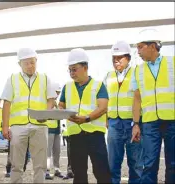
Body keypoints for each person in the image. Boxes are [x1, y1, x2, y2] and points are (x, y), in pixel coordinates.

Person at [1, 48, 57, 183]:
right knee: (16, 165)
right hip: (18, 127)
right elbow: (6, 103)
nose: (30, 66)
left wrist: (46, 113)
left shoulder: (45, 78)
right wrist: (5, 126)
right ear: (20, 64)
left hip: (39, 125)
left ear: (36, 61)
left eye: (32, 62)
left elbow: (51, 100)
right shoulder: (12, 79)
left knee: (40, 165)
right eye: (26, 63)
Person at [58, 48, 112, 183]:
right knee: (79, 173)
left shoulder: (98, 85)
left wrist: (87, 118)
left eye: (74, 69)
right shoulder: (67, 87)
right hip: (75, 135)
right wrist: (61, 112)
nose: (71, 73)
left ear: (85, 67)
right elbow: (61, 106)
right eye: (70, 70)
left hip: (95, 135)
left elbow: (103, 107)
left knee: (101, 171)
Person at [131, 28, 175, 184]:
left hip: (172, 122)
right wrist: (135, 124)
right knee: (149, 165)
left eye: (140, 47)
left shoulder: (172, 62)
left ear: (153, 46)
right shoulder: (138, 70)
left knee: (173, 164)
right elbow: (137, 99)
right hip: (149, 124)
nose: (138, 52)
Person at [104, 41, 143, 183]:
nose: (116, 61)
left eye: (120, 57)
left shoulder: (137, 72)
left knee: (136, 165)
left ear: (128, 58)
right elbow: (104, 100)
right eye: (114, 58)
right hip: (114, 124)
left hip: (134, 124)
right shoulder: (108, 76)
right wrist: (106, 120)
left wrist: (137, 123)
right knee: (112, 164)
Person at [46, 83, 64, 180]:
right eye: (56, 92)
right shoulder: (47, 102)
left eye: (59, 92)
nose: (57, 94)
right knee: (48, 152)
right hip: (49, 129)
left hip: (57, 130)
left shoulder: (56, 103)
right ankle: (47, 171)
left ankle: (57, 169)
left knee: (57, 151)